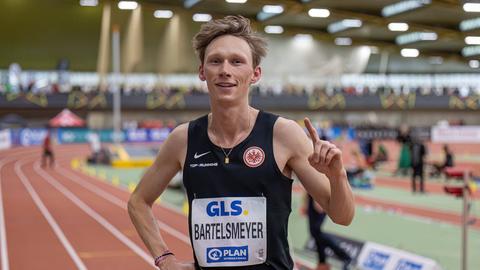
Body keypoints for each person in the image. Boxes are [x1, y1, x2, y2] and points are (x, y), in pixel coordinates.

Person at [128, 15, 355, 270]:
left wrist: (338, 175)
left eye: (237, 61)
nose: (225, 70)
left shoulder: (284, 134)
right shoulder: (183, 139)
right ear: (202, 71)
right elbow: (138, 202)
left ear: (255, 73)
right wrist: (164, 259)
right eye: (215, 61)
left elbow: (342, 216)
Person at [303, 194, 352, 270]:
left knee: (316, 232)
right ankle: (322, 263)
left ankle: (345, 256)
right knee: (315, 233)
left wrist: (318, 201)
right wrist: (306, 204)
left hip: (319, 198)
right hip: (313, 198)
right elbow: (307, 190)